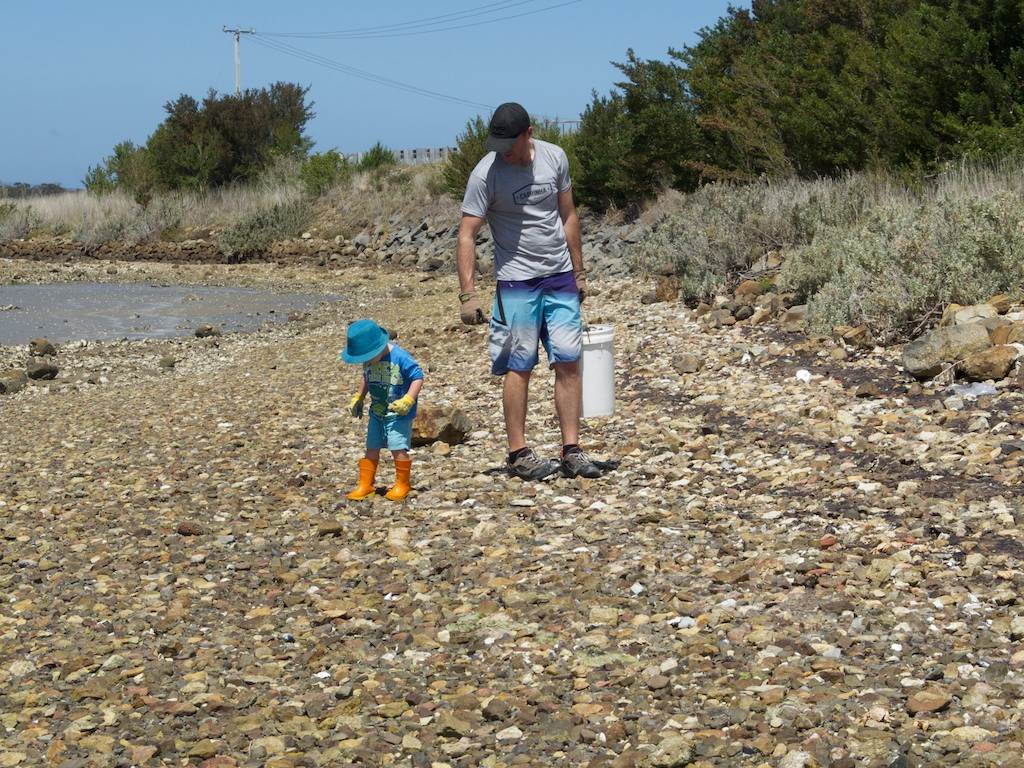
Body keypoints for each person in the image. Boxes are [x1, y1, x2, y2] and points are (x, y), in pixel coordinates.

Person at [457, 101, 603, 481]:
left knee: (569, 361)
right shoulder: (485, 174)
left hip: (559, 277)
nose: (502, 150)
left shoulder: (555, 158)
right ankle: (518, 452)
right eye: (497, 143)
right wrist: (467, 294)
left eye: (510, 142)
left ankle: (571, 450)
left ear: (529, 133)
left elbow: (568, 215)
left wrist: (579, 271)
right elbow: (467, 234)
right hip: (516, 282)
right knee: (518, 367)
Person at [341, 319, 424, 501]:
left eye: (367, 358)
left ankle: (402, 484)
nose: (366, 362)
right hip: (377, 412)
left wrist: (409, 399)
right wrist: (359, 397)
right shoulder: (369, 360)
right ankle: (366, 484)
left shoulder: (400, 357)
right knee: (371, 446)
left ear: (379, 347)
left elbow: (418, 376)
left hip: (397, 414)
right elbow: (366, 377)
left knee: (397, 447)